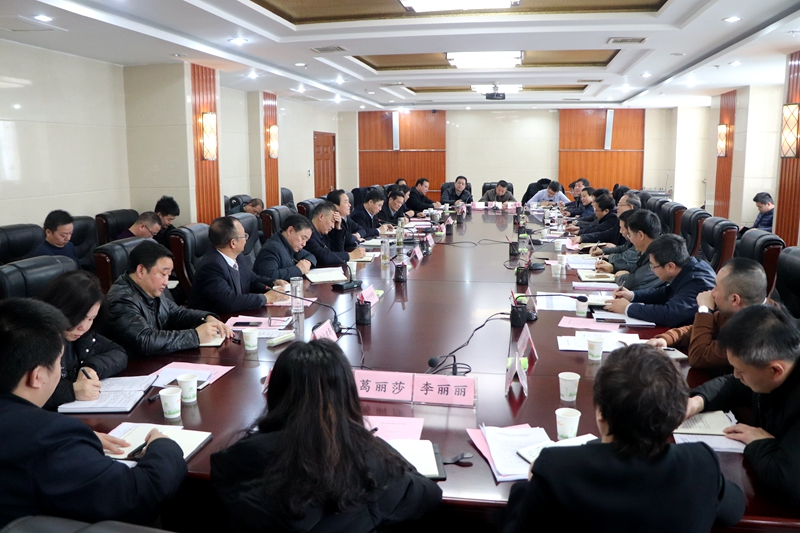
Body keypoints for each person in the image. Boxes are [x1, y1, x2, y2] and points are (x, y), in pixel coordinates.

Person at [503, 344, 744, 533]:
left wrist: (528, 484)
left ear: (600, 412)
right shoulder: (700, 465)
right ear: (677, 417)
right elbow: (734, 510)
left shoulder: (555, 468)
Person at [211, 339, 442, 532]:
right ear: (346, 396)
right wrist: (375, 444)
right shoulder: (370, 463)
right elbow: (429, 495)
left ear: (276, 394)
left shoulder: (236, 460)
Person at [0, 298, 187, 528]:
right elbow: (135, 497)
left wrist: (77, 443)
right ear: (37, 376)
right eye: (58, 362)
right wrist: (163, 446)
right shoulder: (49, 438)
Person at [686, 305, 800, 505]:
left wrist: (759, 442)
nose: (736, 375)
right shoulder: (770, 367)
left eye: (740, 371)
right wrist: (696, 402)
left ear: (776, 370)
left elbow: (788, 480)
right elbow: (732, 384)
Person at [105, 241, 233, 357]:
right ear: (141, 270)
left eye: (168, 275)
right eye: (163, 274)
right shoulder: (121, 300)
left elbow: (177, 313)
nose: (166, 282)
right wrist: (195, 336)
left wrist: (206, 318)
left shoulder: (150, 289)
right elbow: (145, 340)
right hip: (136, 368)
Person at [648, 258, 770, 369]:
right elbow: (698, 329)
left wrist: (705, 310)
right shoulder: (737, 310)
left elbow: (699, 357)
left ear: (734, 299)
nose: (711, 292)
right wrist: (666, 339)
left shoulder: (757, 332)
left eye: (716, 287)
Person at [39, 270, 128, 411]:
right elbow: (21, 394)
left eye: (91, 319)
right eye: (80, 318)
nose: (84, 327)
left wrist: (91, 367)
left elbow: (118, 353)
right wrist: (71, 391)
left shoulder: (82, 335)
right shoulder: (33, 339)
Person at [605, 234, 716, 327]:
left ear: (670, 267)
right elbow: (666, 292)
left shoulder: (698, 281)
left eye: (653, 266)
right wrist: (632, 295)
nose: (652, 270)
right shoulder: (688, 267)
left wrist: (628, 308)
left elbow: (670, 314)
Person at [188, 216, 288, 315]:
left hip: (237, 314)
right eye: (244, 235)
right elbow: (229, 301)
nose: (246, 239)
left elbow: (251, 278)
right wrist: (266, 298)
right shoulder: (211, 266)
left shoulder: (237, 256)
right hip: (217, 320)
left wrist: (273, 282)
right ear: (233, 243)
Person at [596, 209, 664, 291]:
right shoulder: (650, 249)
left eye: (630, 235)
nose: (630, 240)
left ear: (640, 235)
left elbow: (632, 283)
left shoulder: (659, 254)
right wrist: (613, 268)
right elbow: (636, 268)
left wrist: (620, 277)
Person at [254, 214, 317, 281]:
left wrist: (307, 263)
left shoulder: (290, 245)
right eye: (303, 238)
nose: (304, 244)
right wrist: (299, 270)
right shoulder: (272, 249)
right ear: (290, 231)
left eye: (306, 240)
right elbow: (269, 276)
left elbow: (310, 256)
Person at [305, 201, 366, 266]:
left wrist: (338, 228)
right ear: (321, 217)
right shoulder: (308, 234)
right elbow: (324, 256)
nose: (333, 226)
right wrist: (350, 255)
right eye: (332, 221)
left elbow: (338, 252)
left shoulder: (323, 234)